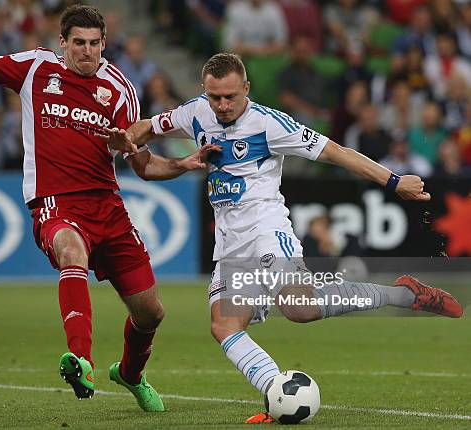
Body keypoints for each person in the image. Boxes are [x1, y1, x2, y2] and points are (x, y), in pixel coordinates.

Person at [0, 4, 213, 412]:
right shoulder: (35, 68)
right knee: (71, 250)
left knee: (150, 313)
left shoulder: (120, 90)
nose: (87, 51)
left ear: (104, 43)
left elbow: (144, 165)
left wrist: (182, 165)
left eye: (95, 43)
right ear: (61, 42)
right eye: (78, 43)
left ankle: (131, 374)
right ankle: (81, 359)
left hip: (108, 208)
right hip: (56, 203)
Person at [104, 53, 464, 423]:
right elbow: (146, 126)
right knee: (224, 325)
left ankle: (403, 293)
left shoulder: (269, 124)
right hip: (230, 245)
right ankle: (277, 392)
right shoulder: (195, 112)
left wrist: (393, 181)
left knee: (299, 308)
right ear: (204, 91)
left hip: (266, 229)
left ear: (246, 88)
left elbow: (337, 153)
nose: (223, 106)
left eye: (231, 96)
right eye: (215, 97)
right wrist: (126, 138)